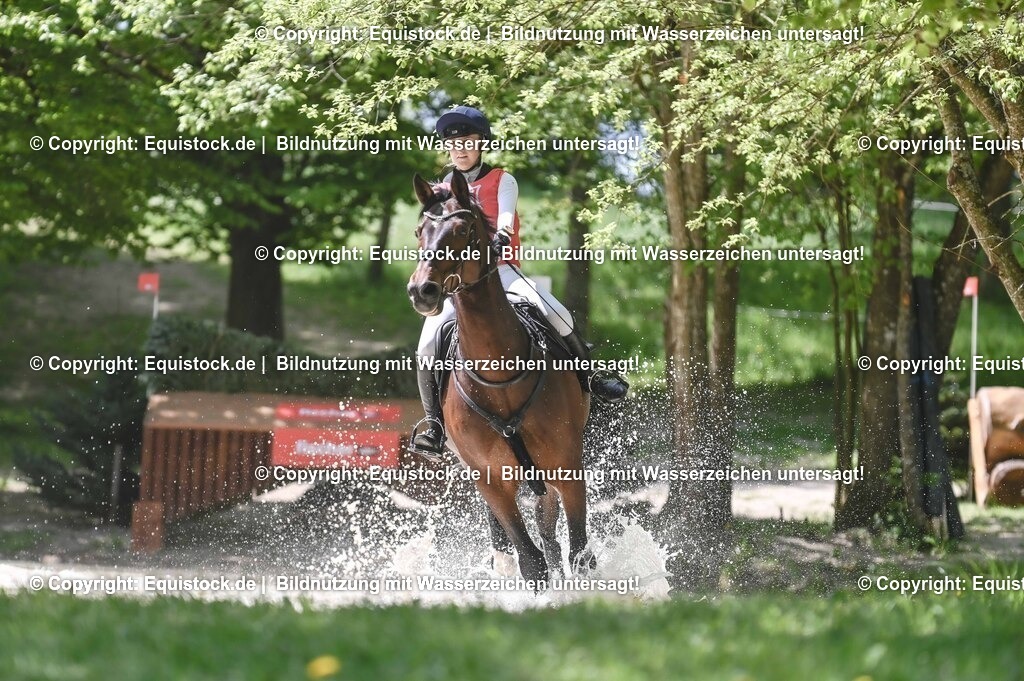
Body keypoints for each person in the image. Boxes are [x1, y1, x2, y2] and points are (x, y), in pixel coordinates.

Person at [410, 105, 628, 458]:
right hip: (456, 284)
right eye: (455, 144)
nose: (461, 149)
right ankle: (434, 424)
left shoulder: (501, 180)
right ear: (447, 149)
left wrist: (502, 236)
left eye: (468, 142)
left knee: (556, 313)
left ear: (481, 144)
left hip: (501, 272)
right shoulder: (439, 192)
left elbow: (507, 216)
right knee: (425, 346)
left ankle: (590, 378)